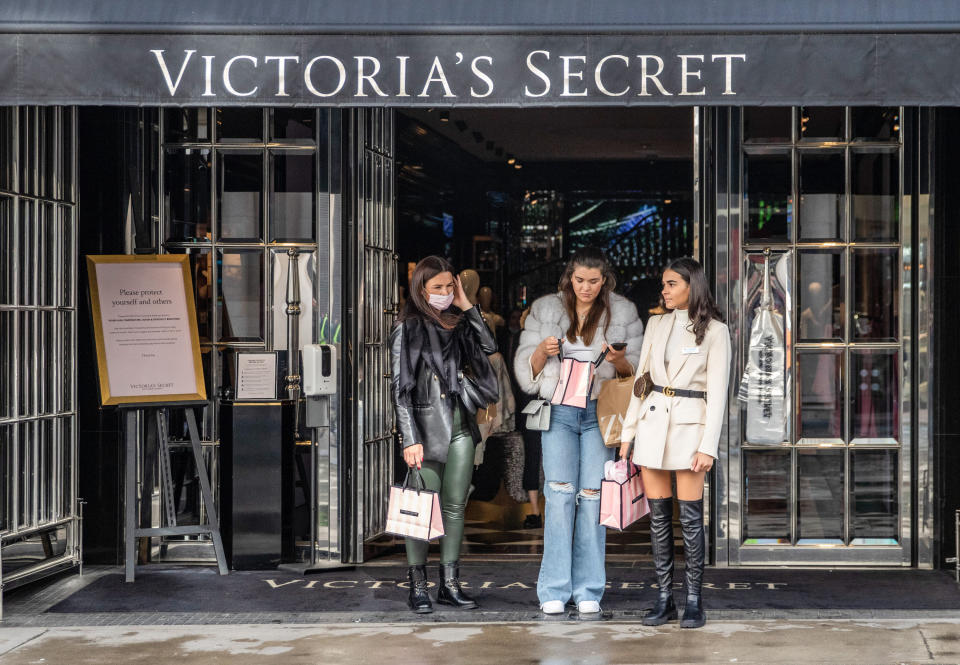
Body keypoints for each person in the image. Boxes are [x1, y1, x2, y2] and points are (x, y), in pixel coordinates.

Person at [514, 247, 644, 616]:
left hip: (599, 413)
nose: (585, 288)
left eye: (593, 281)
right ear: (569, 278)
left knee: (591, 498)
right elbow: (528, 373)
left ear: (605, 280)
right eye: (579, 280)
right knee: (558, 496)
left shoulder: (623, 312)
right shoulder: (546, 309)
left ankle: (588, 588)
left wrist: (620, 361)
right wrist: (541, 350)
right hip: (559, 410)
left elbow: (634, 375)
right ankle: (553, 588)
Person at [619, 257, 732, 629]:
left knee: (691, 520)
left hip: (690, 430)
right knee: (658, 521)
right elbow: (641, 383)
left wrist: (708, 446)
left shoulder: (715, 331)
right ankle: (665, 597)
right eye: (663, 284)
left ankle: (695, 600)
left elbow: (718, 395)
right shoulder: (656, 323)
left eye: (671, 284)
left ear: (691, 286)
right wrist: (627, 434)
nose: (664, 290)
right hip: (652, 426)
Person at [390, 255, 498, 614]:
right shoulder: (407, 328)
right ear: (421, 289)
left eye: (450, 286)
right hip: (425, 429)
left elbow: (489, 348)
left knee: (454, 506)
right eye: (438, 287)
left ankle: (449, 584)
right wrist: (409, 438)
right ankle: (417, 585)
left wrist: (468, 306)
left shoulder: (459, 323)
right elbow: (400, 390)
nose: (446, 292)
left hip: (460, 426)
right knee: (421, 507)